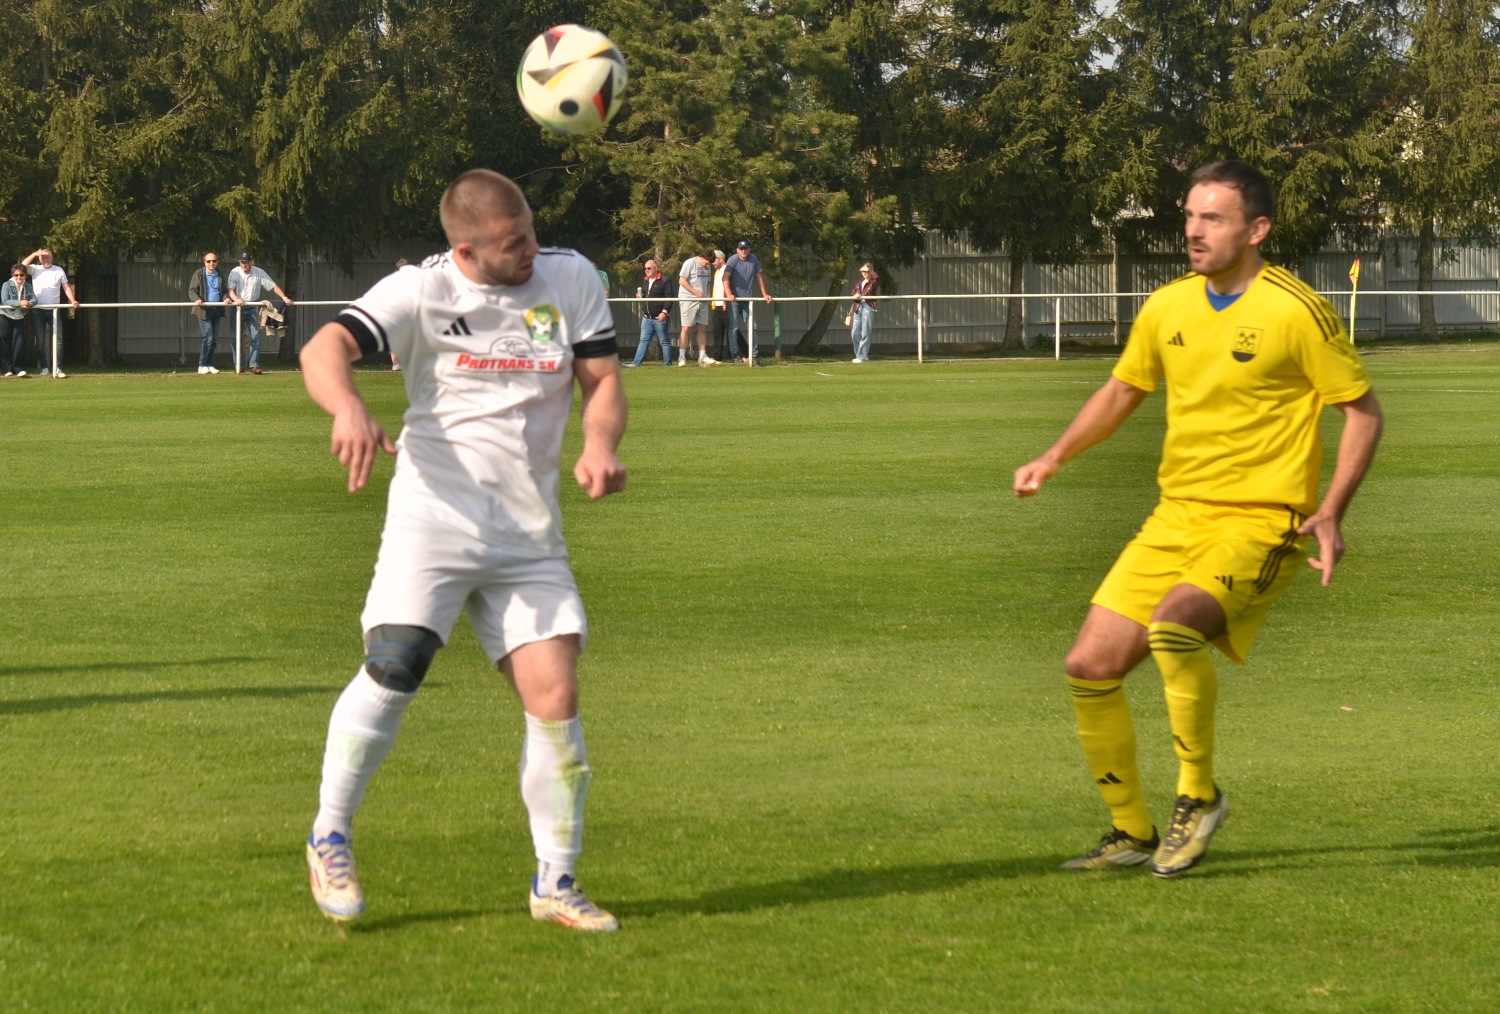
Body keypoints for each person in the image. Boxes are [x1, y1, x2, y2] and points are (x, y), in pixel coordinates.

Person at [1013, 160, 1384, 879]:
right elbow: (1123, 389)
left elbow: (1362, 413)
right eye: (1189, 215)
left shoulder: (1296, 309)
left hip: (1261, 521)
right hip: (1175, 516)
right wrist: (1054, 456)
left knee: (1174, 626)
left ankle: (1199, 797)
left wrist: (1332, 510)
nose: (1193, 229)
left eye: (1212, 217)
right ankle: (1131, 832)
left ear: (1257, 229)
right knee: (1089, 666)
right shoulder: (1169, 306)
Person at [299, 168, 627, 933]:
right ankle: (329, 834)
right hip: (434, 521)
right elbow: (324, 348)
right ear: (466, 250)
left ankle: (556, 881)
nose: (531, 250)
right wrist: (347, 405)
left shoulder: (569, 279)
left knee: (556, 698)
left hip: (527, 535)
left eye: (531, 232)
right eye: (513, 244)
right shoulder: (419, 291)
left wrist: (599, 444)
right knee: (396, 665)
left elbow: (603, 381)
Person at [227, 252, 293, 374]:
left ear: (252, 262)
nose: (244, 265)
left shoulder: (259, 272)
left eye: (246, 262)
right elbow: (230, 290)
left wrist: (284, 298)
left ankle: (254, 365)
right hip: (237, 307)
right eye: (242, 262)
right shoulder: (234, 272)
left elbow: (273, 286)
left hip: (253, 306)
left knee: (255, 336)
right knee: (235, 337)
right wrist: (237, 300)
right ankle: (239, 366)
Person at [22, 247, 78, 378]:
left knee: (58, 339)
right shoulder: (35, 269)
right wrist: (34, 253)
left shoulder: (59, 270)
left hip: (54, 310)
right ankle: (44, 368)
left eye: (47, 256)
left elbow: (66, 287)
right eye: (43, 257)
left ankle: (57, 367)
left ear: (52, 257)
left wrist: (72, 300)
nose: (45, 259)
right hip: (38, 310)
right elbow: (21, 267)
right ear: (39, 258)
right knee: (40, 340)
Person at [724, 240, 772, 363]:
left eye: (745, 248)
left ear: (749, 249)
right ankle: (735, 355)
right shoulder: (733, 260)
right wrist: (729, 294)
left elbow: (759, 276)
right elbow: (725, 278)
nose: (743, 251)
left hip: (747, 300)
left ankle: (754, 355)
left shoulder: (753, 259)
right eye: (741, 249)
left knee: (752, 327)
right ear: (737, 250)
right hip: (734, 300)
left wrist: (765, 294)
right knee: (734, 328)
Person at [625, 258, 674, 367]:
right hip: (647, 318)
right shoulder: (646, 280)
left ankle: (668, 365)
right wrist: (640, 296)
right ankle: (636, 363)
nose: (646, 270)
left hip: (659, 318)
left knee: (664, 342)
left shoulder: (664, 280)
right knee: (643, 341)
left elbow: (670, 298)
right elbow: (645, 295)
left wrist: (664, 312)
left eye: (649, 268)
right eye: (645, 268)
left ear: (656, 268)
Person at [676, 249, 717, 367]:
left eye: (709, 264)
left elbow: (708, 282)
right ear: (702, 257)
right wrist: (695, 293)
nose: (707, 265)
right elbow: (682, 281)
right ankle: (682, 357)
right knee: (686, 328)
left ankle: (702, 356)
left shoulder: (708, 267)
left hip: (703, 301)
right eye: (706, 262)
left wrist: (708, 294)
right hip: (688, 299)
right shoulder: (690, 263)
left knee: (703, 327)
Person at [189, 252, 228, 374]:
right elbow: (192, 291)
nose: (212, 263)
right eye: (209, 261)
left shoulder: (220, 274)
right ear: (204, 262)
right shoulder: (199, 273)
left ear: (217, 262)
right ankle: (202, 365)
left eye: (214, 261)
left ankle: (210, 364)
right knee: (208, 337)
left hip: (217, 309)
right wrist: (197, 299)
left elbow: (224, 291)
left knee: (214, 339)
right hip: (204, 310)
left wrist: (226, 298)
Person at [1, 264, 33, 378]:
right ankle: (7, 369)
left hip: (19, 317)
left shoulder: (28, 286)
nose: (19, 277)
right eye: (16, 275)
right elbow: (5, 301)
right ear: (13, 275)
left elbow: (34, 298)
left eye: (21, 275)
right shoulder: (6, 285)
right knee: (4, 343)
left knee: (19, 343)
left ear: (25, 275)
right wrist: (20, 303)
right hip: (5, 316)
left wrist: (30, 303)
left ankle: (18, 368)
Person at [848, 262, 879, 362]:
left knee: (865, 332)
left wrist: (870, 269)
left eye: (866, 271)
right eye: (862, 271)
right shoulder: (859, 282)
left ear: (870, 271)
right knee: (854, 333)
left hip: (867, 307)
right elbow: (853, 292)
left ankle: (862, 356)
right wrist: (855, 295)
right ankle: (859, 355)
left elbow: (877, 277)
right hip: (857, 307)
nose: (864, 273)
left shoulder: (873, 282)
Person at [709, 250, 730, 361]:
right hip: (716, 305)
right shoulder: (717, 272)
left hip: (724, 304)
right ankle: (717, 356)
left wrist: (725, 301)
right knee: (717, 332)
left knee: (732, 330)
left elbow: (727, 285)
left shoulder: (727, 269)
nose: (712, 262)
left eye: (714, 259)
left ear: (721, 259)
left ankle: (745, 353)